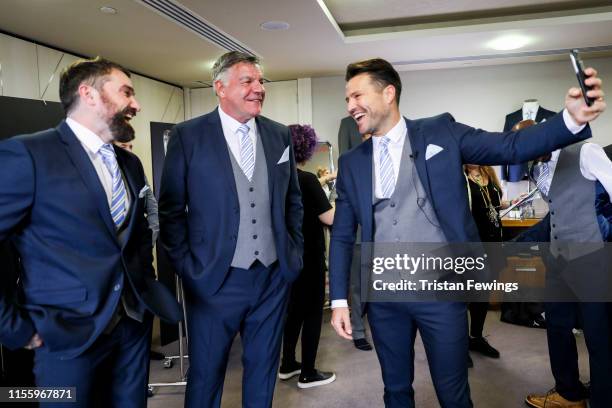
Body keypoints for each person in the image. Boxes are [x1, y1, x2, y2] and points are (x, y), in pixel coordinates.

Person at [328, 57, 605, 408]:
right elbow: (340, 234)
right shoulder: (353, 163)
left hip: (442, 290)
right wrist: (339, 299)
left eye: (356, 96)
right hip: (384, 296)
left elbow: (510, 146)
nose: (351, 106)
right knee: (395, 389)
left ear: (388, 93)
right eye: (347, 100)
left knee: (453, 388)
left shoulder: (440, 132)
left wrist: (571, 119)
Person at [0, 57, 182, 408]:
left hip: (132, 329)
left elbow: (139, 235)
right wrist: (13, 327)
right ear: (89, 94)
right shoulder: (28, 154)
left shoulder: (130, 164)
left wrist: (145, 290)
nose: (137, 105)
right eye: (127, 92)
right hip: (64, 336)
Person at [158, 51, 303, 408]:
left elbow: (293, 203)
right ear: (220, 87)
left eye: (260, 81)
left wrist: (292, 254)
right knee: (206, 375)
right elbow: (171, 210)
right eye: (247, 81)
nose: (258, 89)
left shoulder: (278, 134)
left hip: (271, 278)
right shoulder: (188, 136)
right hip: (213, 280)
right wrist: (189, 269)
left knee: (263, 370)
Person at [520, 142, 612, 408]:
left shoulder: (585, 152)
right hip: (558, 258)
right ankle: (569, 394)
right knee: (557, 327)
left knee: (598, 335)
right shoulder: (537, 167)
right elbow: (558, 210)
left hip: (591, 259)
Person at [279, 124, 336, 388]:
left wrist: (322, 183)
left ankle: (288, 364)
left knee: (293, 313)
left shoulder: (278, 177)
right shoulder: (308, 180)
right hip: (310, 257)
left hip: (286, 258)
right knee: (312, 313)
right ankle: (308, 373)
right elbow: (330, 218)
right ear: (306, 148)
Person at [464, 165, 506, 362]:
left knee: (483, 293)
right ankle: (459, 343)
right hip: (474, 245)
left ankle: (476, 337)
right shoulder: (461, 178)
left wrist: (508, 203)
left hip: (494, 243)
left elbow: (492, 205)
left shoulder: (489, 174)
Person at [114, 140, 160, 243]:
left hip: (137, 253)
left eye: (131, 147)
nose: (129, 151)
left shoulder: (138, 173)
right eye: (123, 147)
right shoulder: (101, 173)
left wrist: (148, 243)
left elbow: (153, 210)